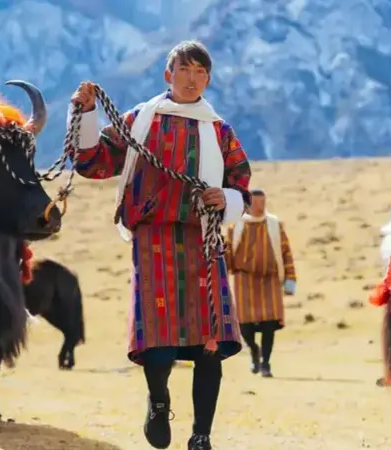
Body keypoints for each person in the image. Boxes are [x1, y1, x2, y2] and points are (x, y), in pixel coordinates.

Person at [68, 40, 252, 450]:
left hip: (203, 241)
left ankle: (201, 435)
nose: (193, 79)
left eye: (201, 72)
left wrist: (228, 199)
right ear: (168, 75)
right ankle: (158, 401)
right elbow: (93, 163)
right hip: (154, 241)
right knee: (158, 340)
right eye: (185, 70)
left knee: (211, 344)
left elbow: (241, 183)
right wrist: (85, 112)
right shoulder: (141, 120)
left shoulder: (219, 130)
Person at [225, 189, 296, 378]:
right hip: (244, 281)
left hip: (270, 280)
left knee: (269, 324)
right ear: (249, 204)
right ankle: (254, 351)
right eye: (256, 203)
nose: (259, 207)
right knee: (244, 325)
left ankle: (266, 363)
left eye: (262, 203)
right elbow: (227, 253)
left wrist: (290, 278)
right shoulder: (236, 226)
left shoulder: (274, 224)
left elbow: (285, 251)